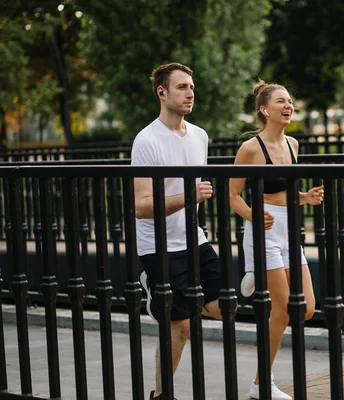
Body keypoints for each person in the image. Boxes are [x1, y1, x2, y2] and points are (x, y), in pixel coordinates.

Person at [131, 62, 222, 400]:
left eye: (192, 87)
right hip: (158, 245)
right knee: (180, 327)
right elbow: (141, 206)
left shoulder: (200, 136)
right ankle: (160, 395)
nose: (190, 93)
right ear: (162, 92)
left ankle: (166, 298)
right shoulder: (147, 140)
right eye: (182, 87)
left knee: (222, 307)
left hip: (193, 238)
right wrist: (187, 196)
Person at [229, 81, 324, 400]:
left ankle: (257, 273)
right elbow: (233, 196)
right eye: (281, 101)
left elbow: (284, 192)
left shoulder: (294, 144)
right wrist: (253, 215)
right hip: (263, 229)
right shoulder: (251, 148)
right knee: (282, 311)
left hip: (288, 230)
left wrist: (305, 197)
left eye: (291, 100)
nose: (289, 105)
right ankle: (261, 385)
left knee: (307, 308)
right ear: (264, 109)